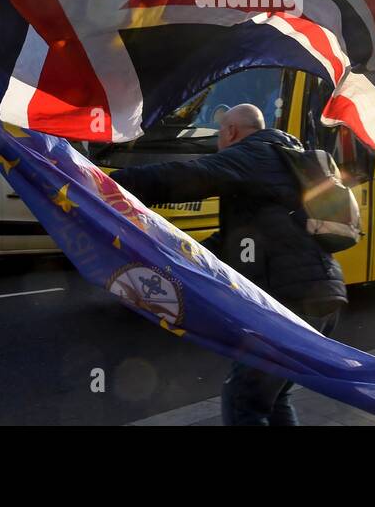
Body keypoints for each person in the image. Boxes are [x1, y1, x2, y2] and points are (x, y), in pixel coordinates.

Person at [109, 103, 347, 426]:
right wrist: (173, 260)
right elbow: (229, 242)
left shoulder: (253, 154)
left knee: (242, 402)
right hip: (322, 295)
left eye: (220, 133)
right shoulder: (287, 158)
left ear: (231, 132)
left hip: (288, 301)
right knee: (272, 399)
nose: (218, 143)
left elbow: (189, 176)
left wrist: (112, 184)